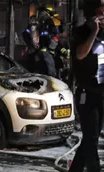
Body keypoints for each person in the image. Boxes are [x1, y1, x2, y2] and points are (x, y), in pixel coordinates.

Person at [69, 1, 104, 171]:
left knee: (92, 138)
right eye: (100, 13)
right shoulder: (81, 33)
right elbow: (80, 54)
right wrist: (94, 32)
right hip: (86, 93)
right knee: (90, 138)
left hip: (102, 92)